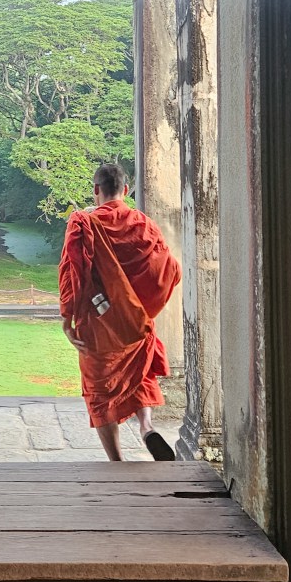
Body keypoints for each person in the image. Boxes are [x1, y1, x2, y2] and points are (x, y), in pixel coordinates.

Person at [58, 162, 182, 462]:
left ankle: (117, 461)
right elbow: (168, 270)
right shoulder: (143, 224)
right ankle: (147, 427)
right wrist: (141, 308)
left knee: (100, 391)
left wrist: (67, 319)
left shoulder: (83, 224)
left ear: (96, 190)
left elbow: (71, 274)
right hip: (135, 323)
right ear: (125, 191)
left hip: (99, 326)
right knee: (139, 378)